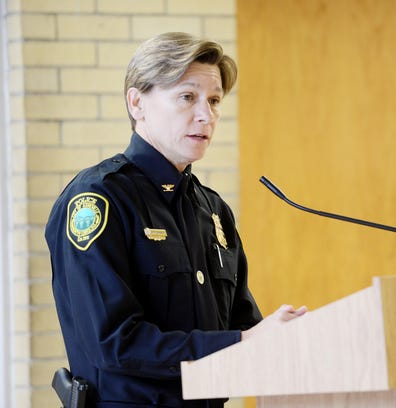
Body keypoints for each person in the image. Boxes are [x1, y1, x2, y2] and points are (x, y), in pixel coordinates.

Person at [45, 32, 306, 408]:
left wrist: (289, 337)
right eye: (187, 97)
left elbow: (243, 326)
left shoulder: (212, 210)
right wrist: (245, 342)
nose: (207, 114)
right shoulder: (99, 199)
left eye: (214, 100)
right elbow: (115, 343)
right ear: (137, 102)